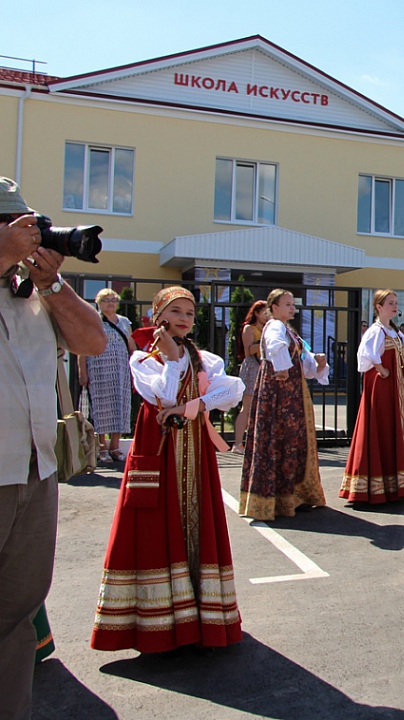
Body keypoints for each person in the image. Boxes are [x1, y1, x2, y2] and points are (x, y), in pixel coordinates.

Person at [0, 177, 106, 720]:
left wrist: (54, 284)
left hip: (34, 475)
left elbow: (94, 341)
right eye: (19, 227)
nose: (32, 237)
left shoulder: (33, 292)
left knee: (17, 617)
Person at [91, 286, 245, 652]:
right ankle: (157, 624)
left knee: (198, 524)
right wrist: (174, 359)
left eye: (190, 313)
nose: (184, 318)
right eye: (176, 311)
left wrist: (192, 408)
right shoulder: (144, 360)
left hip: (193, 451)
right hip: (159, 449)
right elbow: (162, 393)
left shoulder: (204, 357)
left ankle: (202, 616)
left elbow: (233, 390)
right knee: (155, 524)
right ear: (159, 315)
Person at [239, 289, 329, 521]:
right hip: (278, 391)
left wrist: (319, 365)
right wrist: (280, 368)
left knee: (292, 440)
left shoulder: (290, 331)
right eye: (287, 304)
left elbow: (304, 364)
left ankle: (293, 495)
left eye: (293, 304)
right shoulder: (275, 327)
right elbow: (276, 347)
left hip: (292, 389)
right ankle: (277, 498)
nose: (292, 308)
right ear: (274, 307)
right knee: (279, 438)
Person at [340, 290, 404, 505]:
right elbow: (365, 355)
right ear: (378, 307)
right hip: (382, 389)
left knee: (393, 431)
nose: (395, 306)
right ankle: (375, 485)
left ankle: (393, 483)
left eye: (396, 303)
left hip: (396, 390)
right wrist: (380, 367)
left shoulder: (396, 332)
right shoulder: (376, 331)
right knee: (380, 429)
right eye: (390, 303)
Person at [78, 288, 137, 464]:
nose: (110, 303)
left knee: (120, 407)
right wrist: (83, 372)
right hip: (99, 368)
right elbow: (82, 349)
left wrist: (137, 366)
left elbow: (131, 345)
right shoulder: (92, 320)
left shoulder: (125, 322)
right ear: (98, 303)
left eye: (113, 299)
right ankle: (101, 447)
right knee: (101, 408)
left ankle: (115, 447)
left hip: (121, 370)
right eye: (106, 300)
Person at [232, 300, 268, 454]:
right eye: (265, 313)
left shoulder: (268, 328)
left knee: (262, 408)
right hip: (253, 366)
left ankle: (258, 442)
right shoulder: (249, 328)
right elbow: (248, 351)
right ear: (256, 313)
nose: (267, 316)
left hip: (265, 366)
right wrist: (264, 342)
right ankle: (238, 443)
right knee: (247, 407)